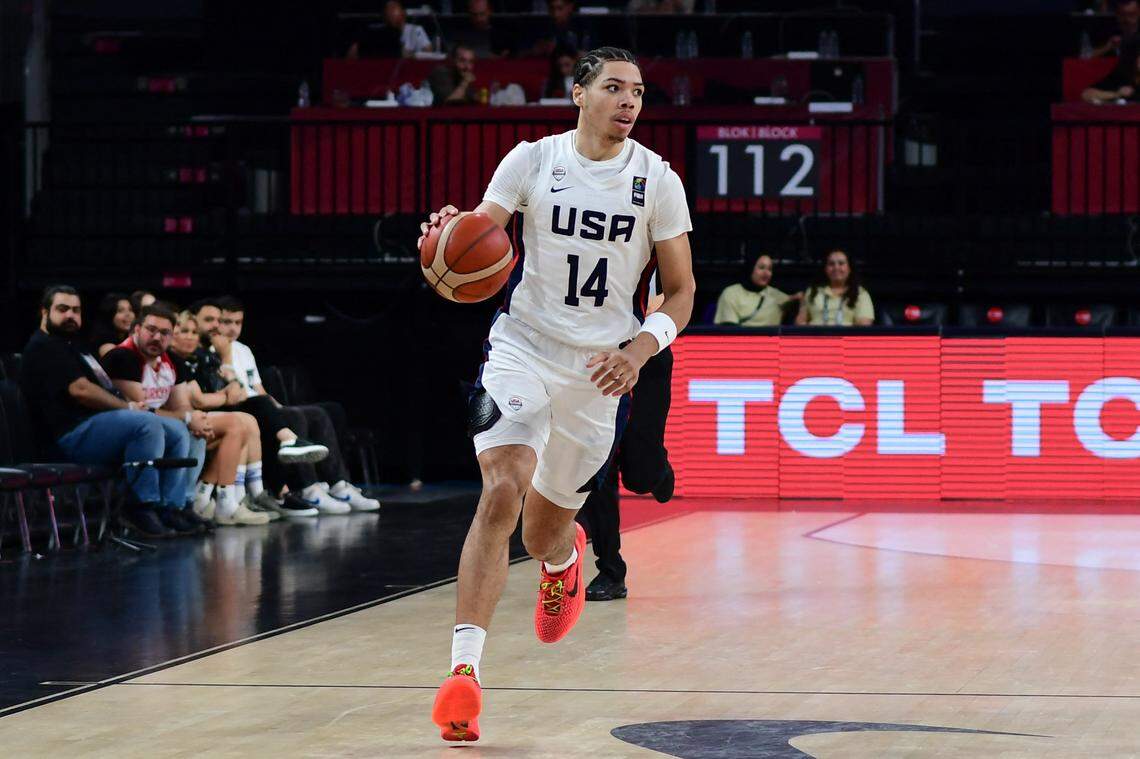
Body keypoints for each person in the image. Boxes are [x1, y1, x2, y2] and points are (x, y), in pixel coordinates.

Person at [419, 46, 695, 743]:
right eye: (613, 88)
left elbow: (683, 289)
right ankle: (463, 675)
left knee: (542, 529)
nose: (629, 101)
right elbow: (483, 229)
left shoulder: (657, 181)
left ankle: (564, 558)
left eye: (638, 91)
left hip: (600, 372)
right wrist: (450, 238)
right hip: (522, 348)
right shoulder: (532, 160)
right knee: (501, 487)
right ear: (578, 93)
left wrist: (640, 348)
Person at [20, 286, 192, 538]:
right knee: (145, 424)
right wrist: (128, 407)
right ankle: (139, 506)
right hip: (66, 435)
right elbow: (81, 390)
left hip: (95, 425)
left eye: (76, 310)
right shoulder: (43, 346)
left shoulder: (74, 345)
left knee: (177, 430)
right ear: (44, 312)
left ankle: (170, 506)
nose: (70, 315)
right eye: (62, 309)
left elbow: (102, 385)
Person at [103, 304, 268, 529]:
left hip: (157, 424)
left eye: (164, 333)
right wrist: (188, 418)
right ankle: (150, 505)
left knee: (194, 430)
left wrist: (193, 419)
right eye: (151, 330)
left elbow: (182, 406)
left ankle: (183, 503)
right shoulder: (123, 356)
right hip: (125, 427)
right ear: (137, 329)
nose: (157, 337)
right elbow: (141, 409)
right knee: (180, 427)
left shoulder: (172, 362)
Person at [216, 297, 379, 513]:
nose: (233, 328)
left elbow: (258, 387)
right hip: (245, 409)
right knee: (295, 417)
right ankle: (306, 488)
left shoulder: (243, 350)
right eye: (227, 322)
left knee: (325, 411)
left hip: (262, 404)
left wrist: (277, 407)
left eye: (238, 323)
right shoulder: (214, 351)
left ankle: (338, 483)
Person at [577, 279, 675, 602]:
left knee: (639, 475)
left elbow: (676, 298)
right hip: (594, 353)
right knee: (597, 466)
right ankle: (610, 571)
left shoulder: (660, 236)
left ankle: (659, 472)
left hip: (646, 356)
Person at [191, 299, 326, 518]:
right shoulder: (204, 352)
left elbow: (249, 388)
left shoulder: (238, 350)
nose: (223, 327)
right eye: (213, 320)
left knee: (289, 412)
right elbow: (219, 395)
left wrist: (273, 404)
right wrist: (227, 378)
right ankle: (265, 491)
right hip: (219, 409)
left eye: (235, 322)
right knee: (253, 415)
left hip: (242, 403)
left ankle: (292, 488)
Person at [795, 249, 874, 326]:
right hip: (816, 337)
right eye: (831, 264)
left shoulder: (860, 293)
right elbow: (800, 325)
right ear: (826, 269)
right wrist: (802, 304)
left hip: (845, 337)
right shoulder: (813, 291)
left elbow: (864, 327)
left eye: (841, 263)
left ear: (850, 269)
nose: (836, 268)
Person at [714, 252, 794, 327]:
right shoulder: (731, 293)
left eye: (769, 269)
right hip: (741, 340)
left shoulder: (777, 296)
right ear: (751, 268)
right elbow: (728, 330)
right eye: (761, 268)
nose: (766, 273)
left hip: (770, 341)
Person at [347, 0, 433, 59]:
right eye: (389, 17)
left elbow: (428, 52)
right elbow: (354, 51)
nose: (392, 20)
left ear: (403, 16)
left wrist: (412, 55)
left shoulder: (416, 30)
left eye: (397, 20)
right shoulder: (379, 33)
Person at [525, 0, 590, 58]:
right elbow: (521, 53)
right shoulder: (541, 28)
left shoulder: (583, 27)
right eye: (551, 8)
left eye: (560, 8)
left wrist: (572, 53)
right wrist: (534, 51)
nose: (555, 14)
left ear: (570, 6)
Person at [90, 293, 135, 358]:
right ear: (109, 316)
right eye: (120, 311)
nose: (128, 314)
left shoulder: (130, 339)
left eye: (130, 309)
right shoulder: (107, 347)